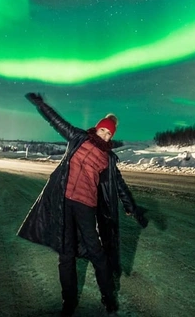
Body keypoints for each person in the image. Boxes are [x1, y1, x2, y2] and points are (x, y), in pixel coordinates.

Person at [17, 93, 148, 316]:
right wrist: (41, 105)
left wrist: (132, 208)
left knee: (97, 253)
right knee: (65, 254)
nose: (105, 135)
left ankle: (108, 296)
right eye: (103, 130)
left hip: (86, 206)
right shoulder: (77, 138)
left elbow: (120, 186)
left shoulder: (107, 159)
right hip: (64, 202)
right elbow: (57, 121)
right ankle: (68, 301)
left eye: (109, 133)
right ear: (96, 128)